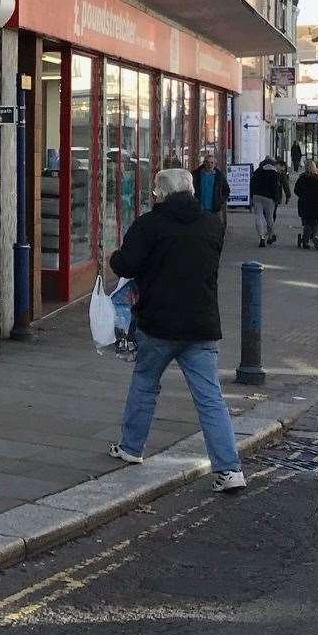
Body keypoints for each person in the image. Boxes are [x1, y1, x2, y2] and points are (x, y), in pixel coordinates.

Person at [105, 168, 247, 494]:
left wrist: (115, 256)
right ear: (191, 190)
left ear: (161, 193)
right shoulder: (213, 224)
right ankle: (229, 470)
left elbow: (126, 265)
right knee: (210, 399)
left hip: (158, 324)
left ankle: (131, 447)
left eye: (155, 191)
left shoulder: (149, 225)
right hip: (201, 324)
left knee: (145, 383)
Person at [249, 157, 289, 248]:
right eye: (281, 169)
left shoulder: (258, 171)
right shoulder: (274, 174)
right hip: (269, 198)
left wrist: (251, 195)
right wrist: (276, 199)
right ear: (276, 165)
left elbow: (252, 183)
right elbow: (275, 188)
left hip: (257, 196)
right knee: (269, 218)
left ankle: (262, 237)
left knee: (258, 217)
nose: (281, 171)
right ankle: (271, 236)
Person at [192, 149, 227, 220]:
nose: (210, 165)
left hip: (214, 208)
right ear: (204, 163)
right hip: (199, 208)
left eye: (212, 162)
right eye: (207, 162)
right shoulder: (196, 175)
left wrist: (220, 200)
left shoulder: (219, 176)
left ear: (215, 164)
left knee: (216, 228)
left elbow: (226, 190)